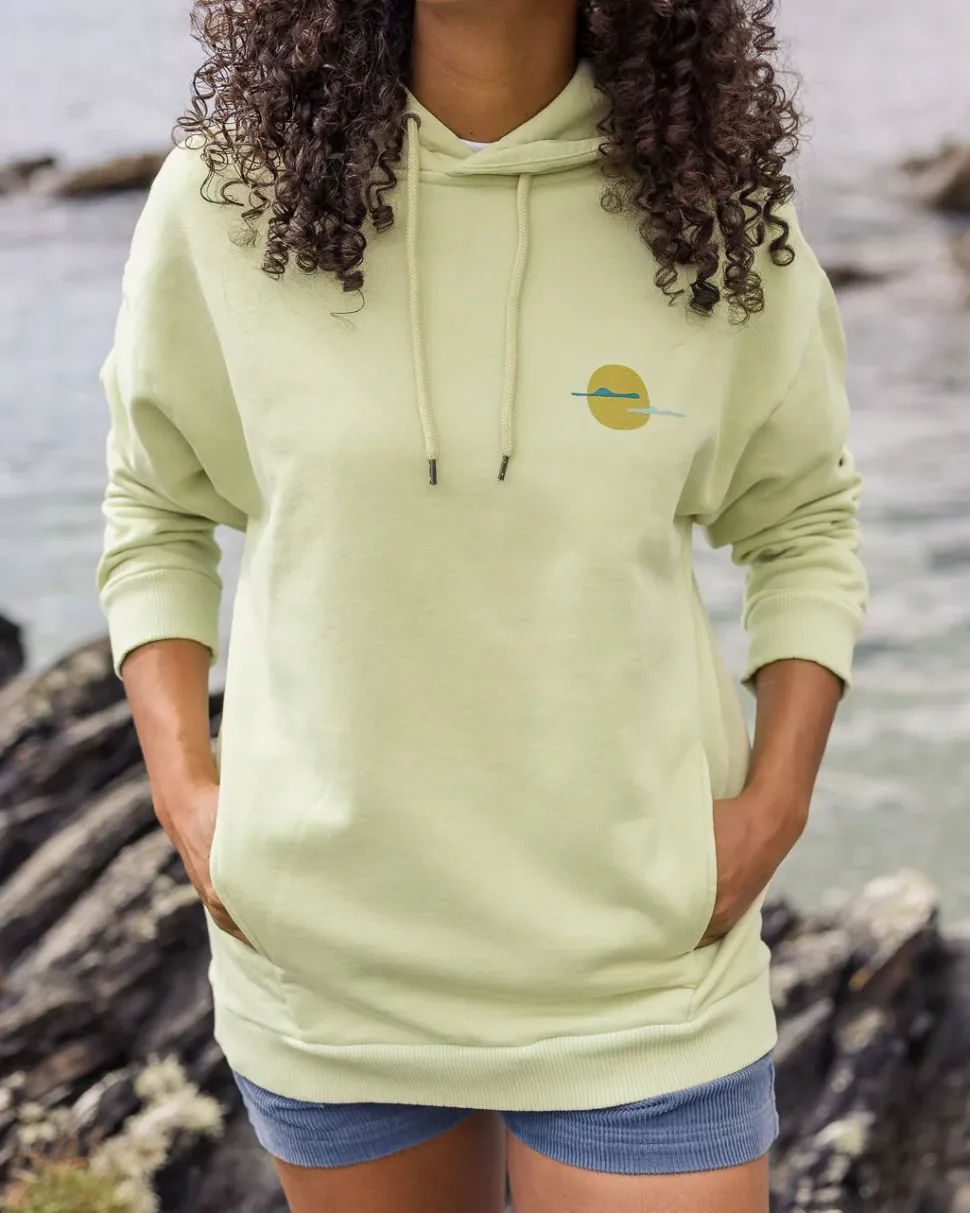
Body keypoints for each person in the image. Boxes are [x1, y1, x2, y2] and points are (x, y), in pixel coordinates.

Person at [96, 0, 868, 1209]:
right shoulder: (229, 196)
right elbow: (154, 504)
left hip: (639, 976)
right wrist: (189, 798)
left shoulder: (709, 206)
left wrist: (775, 805)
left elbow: (805, 523)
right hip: (332, 968)